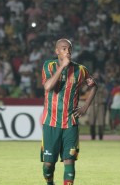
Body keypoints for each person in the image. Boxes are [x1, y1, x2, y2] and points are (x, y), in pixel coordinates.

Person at [40, 38, 97, 185]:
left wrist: (85, 107)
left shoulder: (80, 70)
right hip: (50, 123)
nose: (68, 51)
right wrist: (62, 67)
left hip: (70, 123)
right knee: (48, 166)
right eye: (64, 48)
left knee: (69, 161)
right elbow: (47, 87)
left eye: (70, 49)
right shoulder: (49, 65)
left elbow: (93, 86)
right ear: (57, 51)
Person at [87, 70, 106, 140]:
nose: (96, 76)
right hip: (92, 105)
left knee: (101, 122)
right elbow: (84, 90)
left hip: (100, 105)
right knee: (92, 121)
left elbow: (105, 93)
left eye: (97, 75)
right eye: (95, 75)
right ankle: (93, 137)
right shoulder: (89, 84)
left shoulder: (102, 84)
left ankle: (101, 137)